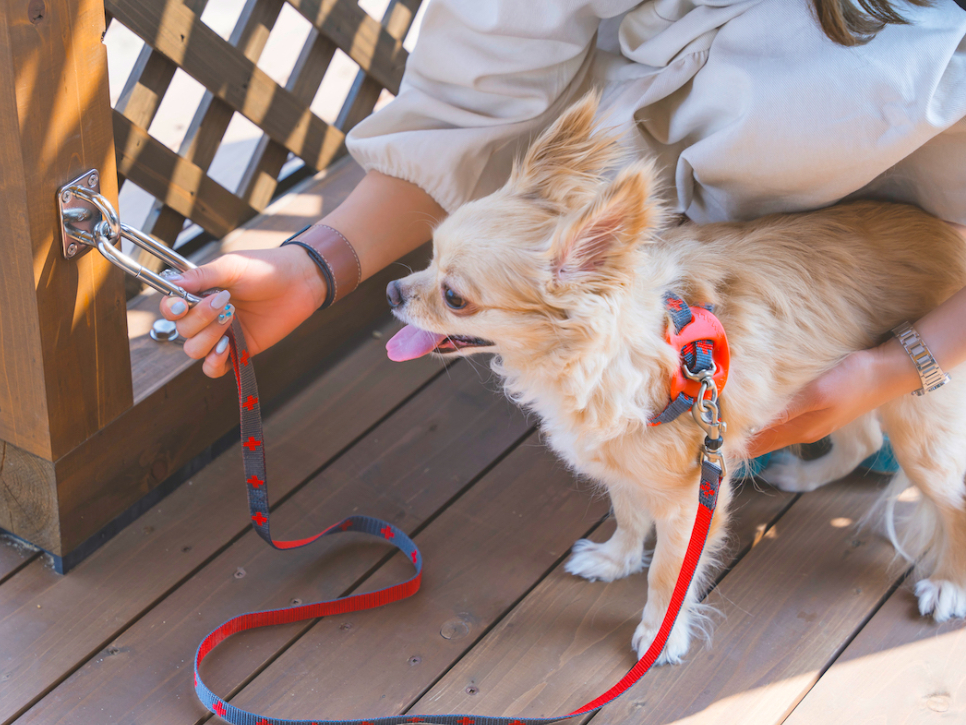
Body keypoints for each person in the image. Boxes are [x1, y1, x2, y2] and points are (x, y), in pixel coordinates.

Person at [160, 0, 966, 456]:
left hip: (915, 268)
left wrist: (894, 368)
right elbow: (466, 104)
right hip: (687, 279)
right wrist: (314, 266)